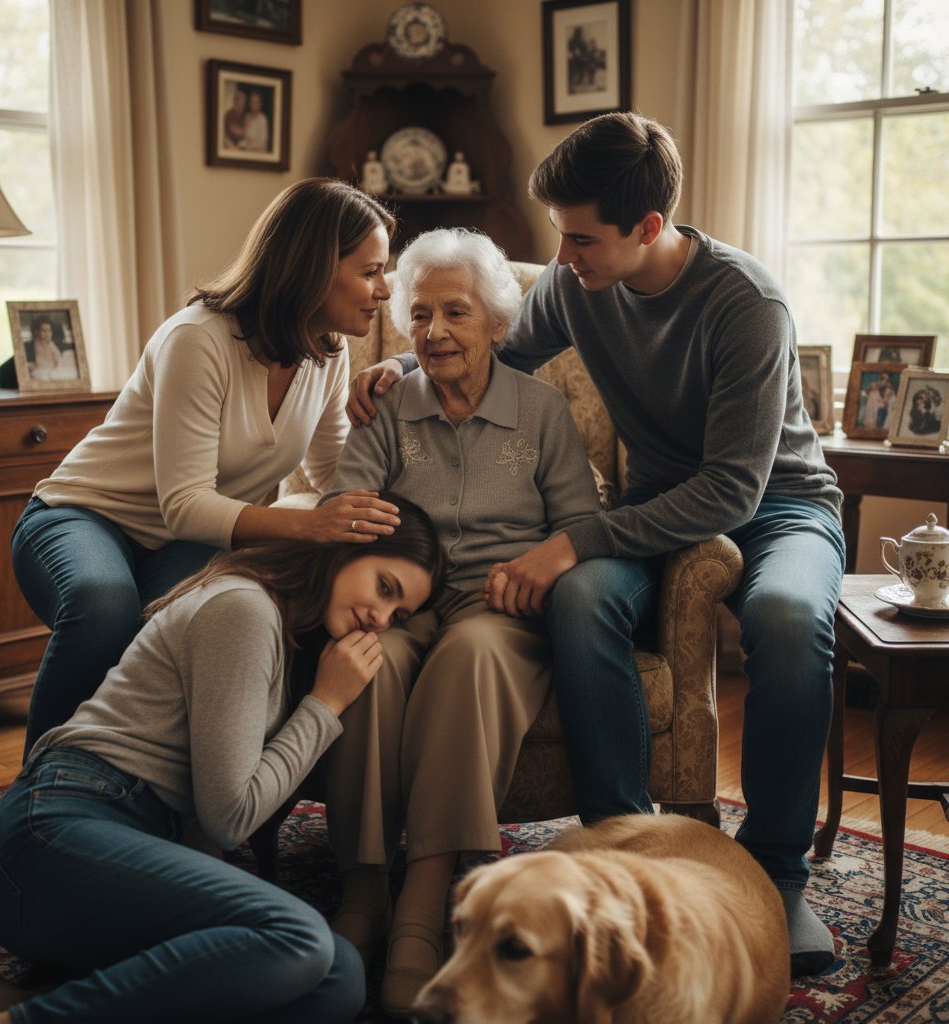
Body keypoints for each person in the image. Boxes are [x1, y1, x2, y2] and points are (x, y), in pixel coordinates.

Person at [347, 113, 846, 979]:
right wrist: (404, 367)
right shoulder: (578, 283)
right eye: (560, 237)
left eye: (580, 239)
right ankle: (621, 845)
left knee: (791, 619)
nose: (563, 256)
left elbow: (733, 489)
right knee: (581, 600)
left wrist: (574, 538)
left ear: (648, 229)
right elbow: (490, 347)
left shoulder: (746, 305)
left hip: (778, 504)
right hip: (654, 504)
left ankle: (775, 872)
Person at [0, 497, 447, 1024]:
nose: (380, 619)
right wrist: (326, 705)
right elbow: (229, 818)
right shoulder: (245, 608)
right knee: (301, 940)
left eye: (397, 615)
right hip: (54, 835)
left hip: (141, 840)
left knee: (339, 983)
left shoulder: (287, 635)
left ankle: (18, 1000)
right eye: (384, 588)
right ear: (341, 549)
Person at [12, 178, 398, 756]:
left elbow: (333, 474)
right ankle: (41, 794)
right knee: (105, 603)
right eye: (370, 271)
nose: (384, 290)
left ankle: (151, 797)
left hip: (183, 544)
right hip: (82, 516)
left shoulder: (328, 353)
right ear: (314, 267)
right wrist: (307, 524)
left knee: (199, 628)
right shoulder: (199, 340)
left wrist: (394, 388)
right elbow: (185, 503)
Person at [322, 227, 601, 1016]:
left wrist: (538, 567)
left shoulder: (543, 412)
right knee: (365, 657)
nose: (435, 331)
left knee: (468, 657)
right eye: (419, 315)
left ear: (498, 323)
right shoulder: (383, 404)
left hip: (501, 605)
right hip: (403, 599)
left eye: (456, 312)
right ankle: (363, 884)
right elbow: (349, 512)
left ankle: (424, 893)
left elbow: (578, 525)